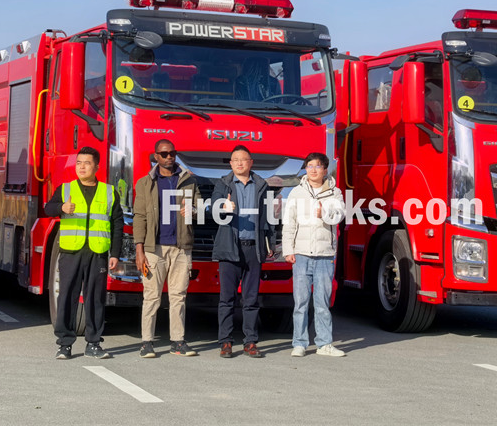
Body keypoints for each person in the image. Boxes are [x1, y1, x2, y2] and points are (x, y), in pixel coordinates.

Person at [45, 146, 123, 360]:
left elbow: (117, 223)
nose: (81, 167)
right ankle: (64, 344)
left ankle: (94, 343)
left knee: (95, 299)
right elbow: (47, 209)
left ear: (96, 166)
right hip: (71, 252)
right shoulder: (65, 189)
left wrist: (114, 253)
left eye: (86, 163)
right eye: (79, 163)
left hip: (97, 252)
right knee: (67, 297)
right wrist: (62, 207)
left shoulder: (109, 192)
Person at [133, 139, 201, 358]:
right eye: (164, 154)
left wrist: (192, 209)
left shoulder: (189, 180)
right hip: (155, 249)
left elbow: (200, 210)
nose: (169, 157)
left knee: (178, 296)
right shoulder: (145, 183)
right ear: (156, 156)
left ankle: (178, 342)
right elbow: (140, 217)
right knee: (151, 296)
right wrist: (139, 250)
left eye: (172, 153)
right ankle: (146, 343)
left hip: (181, 248)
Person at [211, 145, 277, 358]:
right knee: (226, 299)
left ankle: (250, 342)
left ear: (251, 162)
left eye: (243, 159)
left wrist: (271, 244)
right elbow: (213, 210)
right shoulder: (223, 184)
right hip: (230, 248)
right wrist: (223, 208)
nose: (239, 163)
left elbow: (269, 219)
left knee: (251, 299)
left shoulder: (262, 186)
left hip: (253, 249)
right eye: (235, 159)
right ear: (231, 164)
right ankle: (226, 342)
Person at [282, 152, 346, 358]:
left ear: (325, 170)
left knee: (322, 302)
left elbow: (339, 216)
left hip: (325, 255)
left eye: (317, 166)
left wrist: (324, 214)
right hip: (301, 255)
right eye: (309, 166)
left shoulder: (334, 193)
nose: (313, 170)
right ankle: (299, 343)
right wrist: (288, 250)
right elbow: (289, 223)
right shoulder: (296, 193)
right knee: (300, 302)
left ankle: (324, 344)